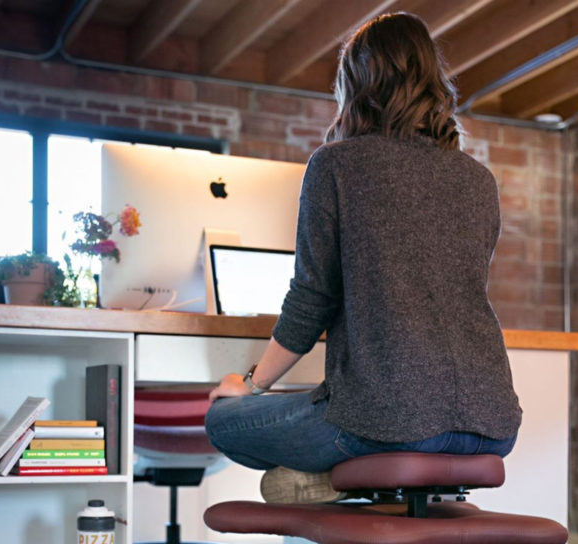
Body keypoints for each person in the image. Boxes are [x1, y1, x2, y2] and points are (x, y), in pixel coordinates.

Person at [204, 11, 522, 504]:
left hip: (391, 421)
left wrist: (248, 384)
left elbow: (312, 298)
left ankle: (341, 474)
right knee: (345, 412)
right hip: (495, 422)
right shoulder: (479, 180)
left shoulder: (336, 165)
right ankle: (352, 475)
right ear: (432, 80)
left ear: (355, 84)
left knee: (223, 420)